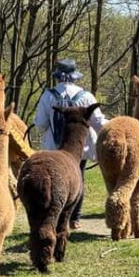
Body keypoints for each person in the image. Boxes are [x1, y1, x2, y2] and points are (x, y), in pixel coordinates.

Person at [34, 58, 108, 229]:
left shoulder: (48, 96)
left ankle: (55, 216)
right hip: (78, 149)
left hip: (54, 150)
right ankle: (75, 218)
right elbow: (99, 123)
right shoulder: (87, 97)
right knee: (78, 179)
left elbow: (40, 125)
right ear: (75, 76)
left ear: (58, 76)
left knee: (53, 181)